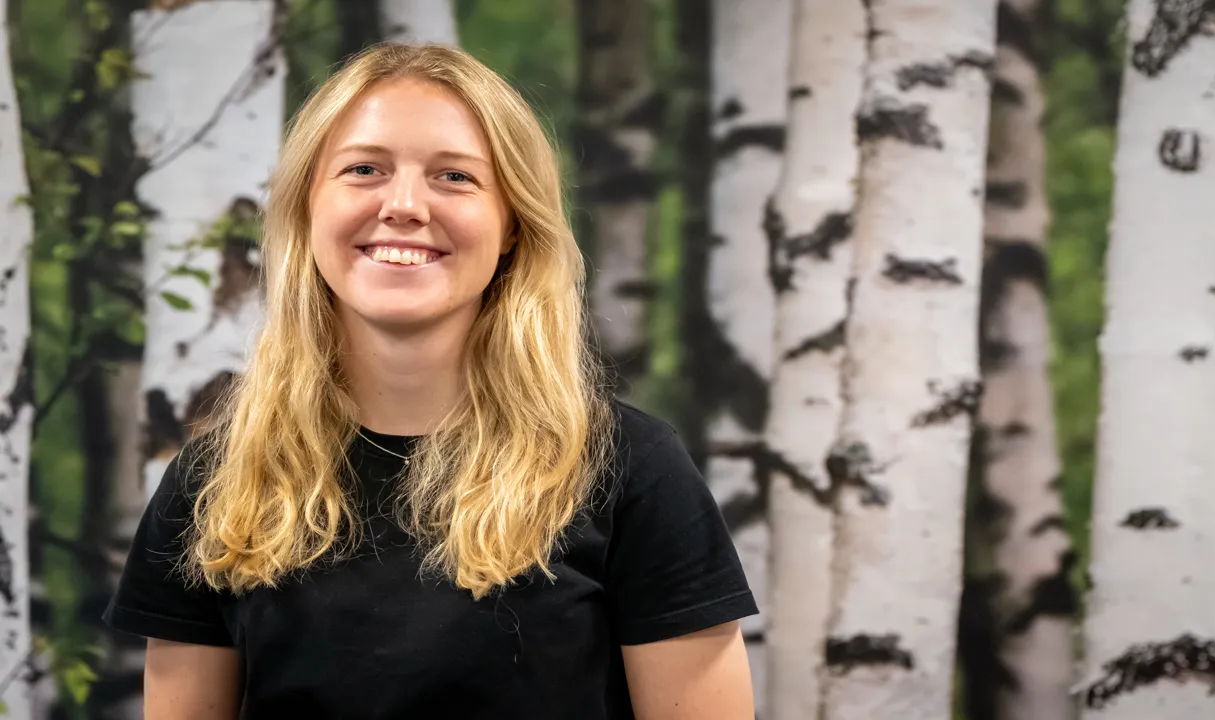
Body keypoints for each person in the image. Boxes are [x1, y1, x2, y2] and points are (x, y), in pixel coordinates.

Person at [102, 42, 757, 719]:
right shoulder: (219, 478)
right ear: (306, 209)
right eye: (363, 169)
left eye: (455, 177)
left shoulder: (631, 471)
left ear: (511, 225)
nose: (405, 205)